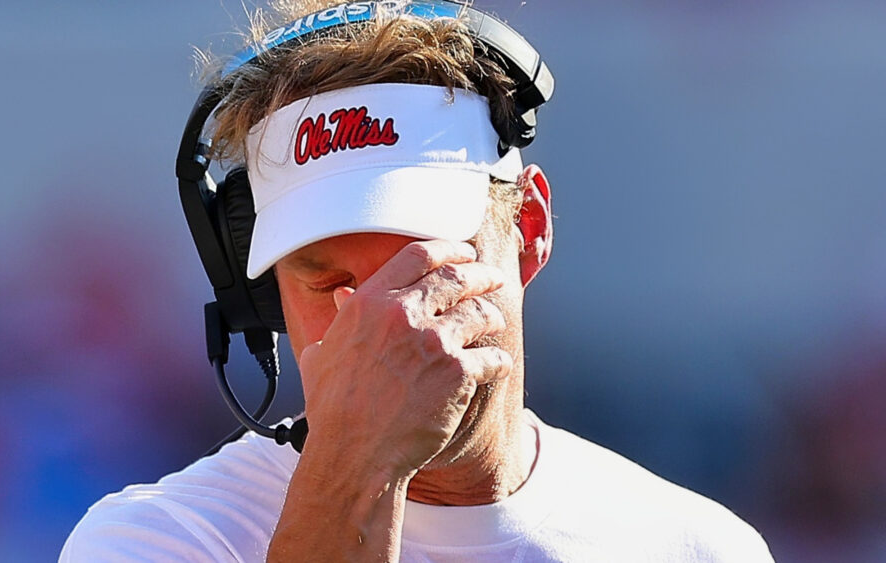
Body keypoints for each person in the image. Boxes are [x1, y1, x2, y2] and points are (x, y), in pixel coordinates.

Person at [61, 1, 775, 560]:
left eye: (421, 267)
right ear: (265, 296)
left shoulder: (699, 547)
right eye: (330, 279)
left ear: (527, 231)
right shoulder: (155, 542)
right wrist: (355, 464)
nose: (387, 321)